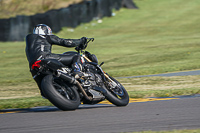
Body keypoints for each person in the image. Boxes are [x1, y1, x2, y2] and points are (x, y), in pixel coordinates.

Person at [25, 24, 87, 96]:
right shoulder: (46, 36)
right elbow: (65, 42)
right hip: (46, 57)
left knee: (43, 92)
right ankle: (77, 71)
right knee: (76, 56)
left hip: (33, 67)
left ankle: (48, 92)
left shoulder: (29, 41)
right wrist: (80, 41)